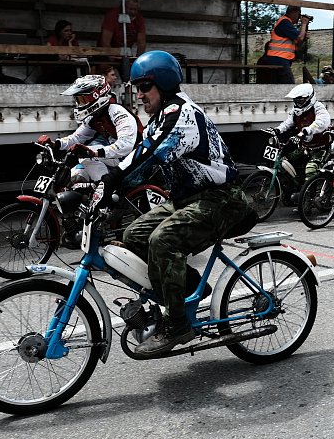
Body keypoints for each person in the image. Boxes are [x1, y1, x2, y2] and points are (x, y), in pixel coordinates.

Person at [97, 51, 247, 355]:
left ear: (163, 84)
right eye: (136, 88)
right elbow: (138, 156)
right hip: (186, 200)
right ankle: (189, 287)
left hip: (221, 199)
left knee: (162, 240)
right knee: (133, 236)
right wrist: (102, 189)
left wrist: (114, 179)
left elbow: (148, 155)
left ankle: (177, 324)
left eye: (144, 87)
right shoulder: (158, 119)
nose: (139, 95)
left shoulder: (181, 114)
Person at [36, 74, 142, 184]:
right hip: (117, 157)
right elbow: (76, 138)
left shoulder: (117, 111)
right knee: (74, 176)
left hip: (134, 158)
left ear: (96, 95)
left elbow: (125, 145)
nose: (79, 104)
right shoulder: (94, 117)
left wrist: (93, 152)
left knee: (84, 156)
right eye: (78, 100)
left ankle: (104, 190)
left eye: (83, 99)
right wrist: (54, 144)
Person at [268, 83, 331, 186]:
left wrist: (308, 130)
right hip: (305, 147)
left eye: (300, 100)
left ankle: (310, 195)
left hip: (321, 148)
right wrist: (277, 130)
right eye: (296, 100)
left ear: (309, 97)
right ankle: (295, 185)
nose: (298, 102)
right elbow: (288, 123)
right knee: (284, 160)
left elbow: (321, 122)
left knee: (311, 169)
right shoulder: (295, 111)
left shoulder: (318, 108)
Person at [262, 5, 310, 84]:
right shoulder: (284, 23)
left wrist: (304, 35)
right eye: (299, 15)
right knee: (288, 85)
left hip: (279, 59)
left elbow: (298, 42)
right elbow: (299, 38)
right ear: (293, 12)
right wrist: (304, 24)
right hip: (279, 58)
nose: (299, 18)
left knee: (279, 85)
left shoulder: (286, 25)